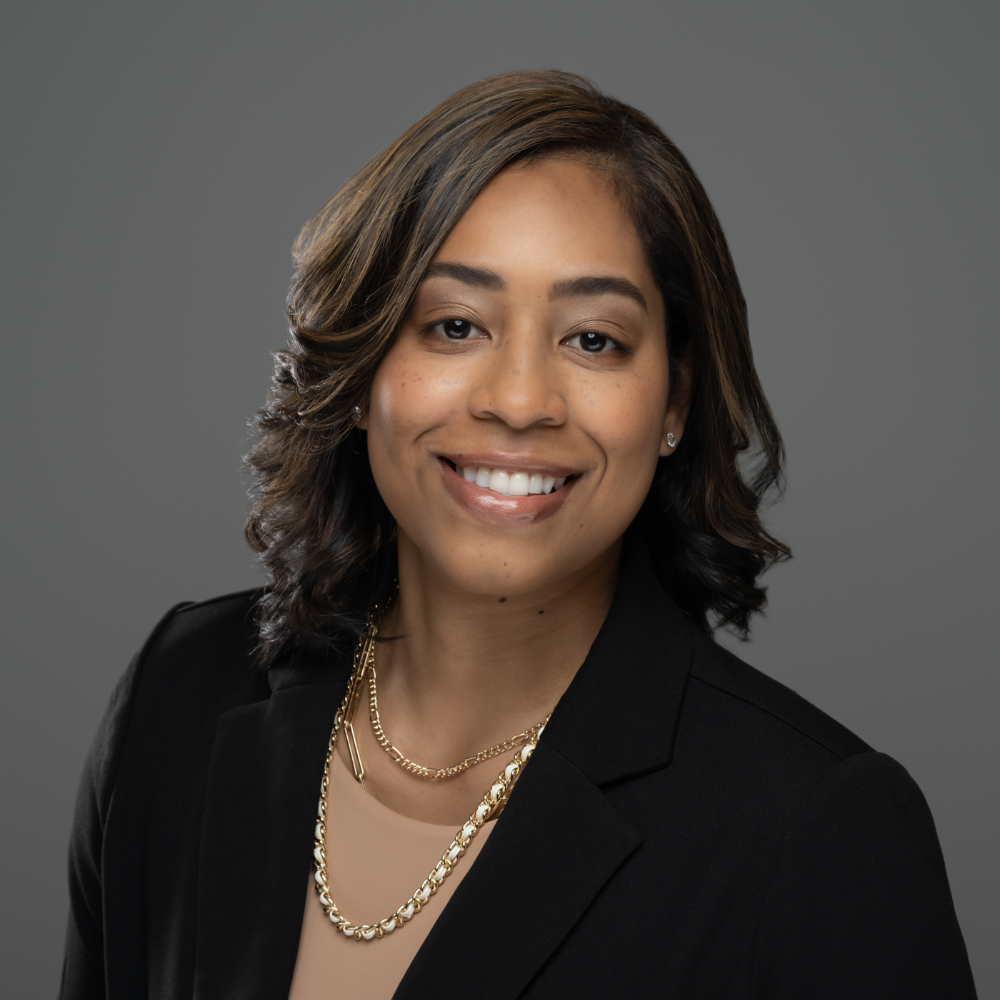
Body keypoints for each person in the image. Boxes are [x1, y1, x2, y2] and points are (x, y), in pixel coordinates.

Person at [60, 70, 977, 1000]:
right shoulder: (177, 698)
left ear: (676, 402)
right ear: (363, 367)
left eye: (593, 340)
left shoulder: (817, 830)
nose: (519, 401)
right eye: (454, 325)